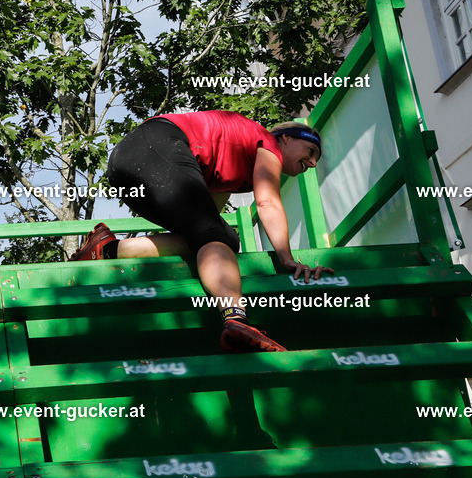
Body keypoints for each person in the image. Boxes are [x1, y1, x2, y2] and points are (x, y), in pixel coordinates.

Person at [72, 110, 332, 353]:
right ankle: (236, 318)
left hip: (125, 167)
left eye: (315, 160)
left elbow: (208, 222)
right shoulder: (268, 144)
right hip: (155, 145)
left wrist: (213, 237)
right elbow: (267, 203)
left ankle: (107, 249)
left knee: (223, 237)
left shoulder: (238, 165)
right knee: (213, 234)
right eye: (310, 151)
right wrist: (287, 258)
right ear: (286, 138)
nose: (311, 163)